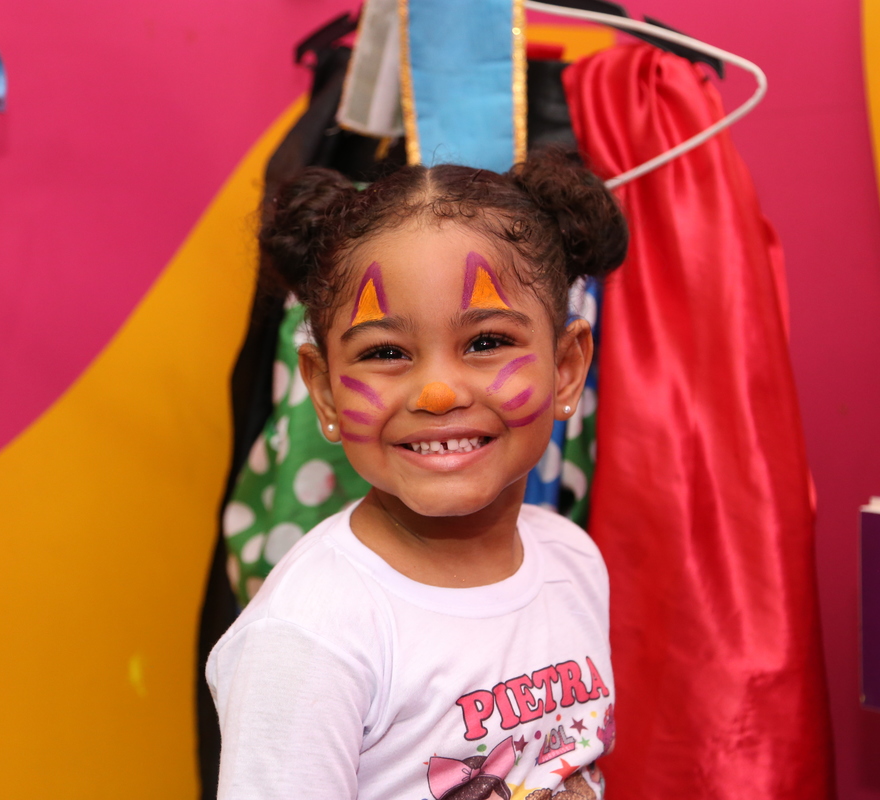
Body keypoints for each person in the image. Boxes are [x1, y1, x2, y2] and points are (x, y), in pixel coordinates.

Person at [206, 148, 628, 800]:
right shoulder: (308, 636)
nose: (437, 392)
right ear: (324, 390)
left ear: (567, 368)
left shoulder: (574, 561)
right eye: (385, 352)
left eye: (486, 342)